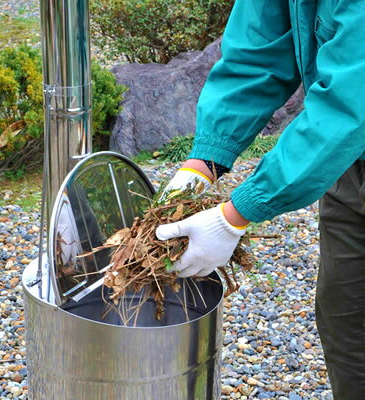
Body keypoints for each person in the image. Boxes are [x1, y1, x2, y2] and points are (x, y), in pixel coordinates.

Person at [155, 1, 365, 398]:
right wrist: (204, 163)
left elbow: (351, 101)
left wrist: (234, 214)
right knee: (348, 325)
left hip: (350, 129)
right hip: (349, 168)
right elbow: (259, 51)